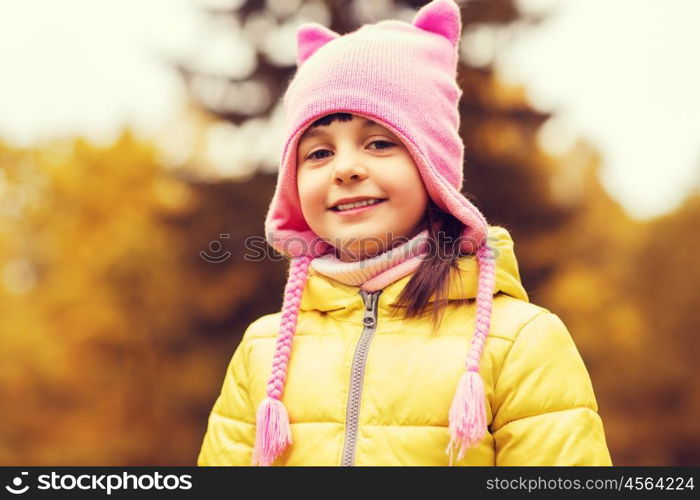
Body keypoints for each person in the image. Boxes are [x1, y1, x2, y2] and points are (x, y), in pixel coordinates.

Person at [197, 0, 612, 466]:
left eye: (379, 143)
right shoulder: (265, 349)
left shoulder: (520, 341)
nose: (346, 168)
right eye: (317, 153)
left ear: (432, 165)